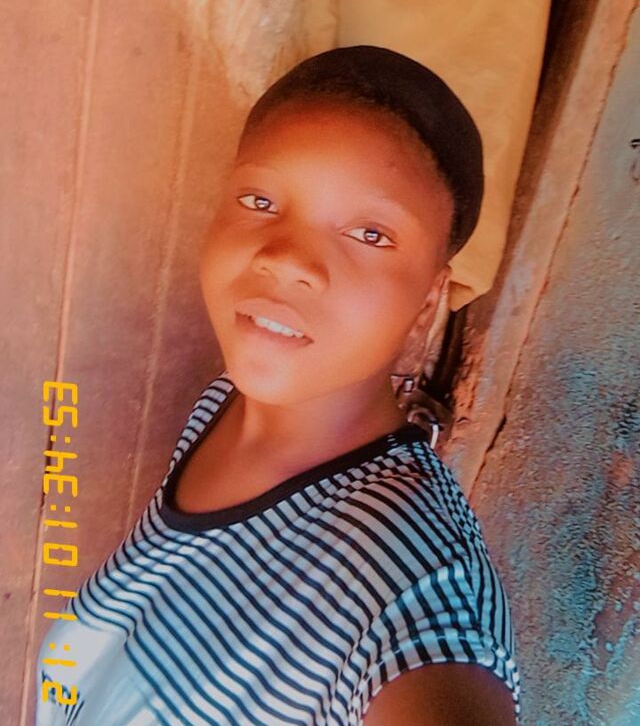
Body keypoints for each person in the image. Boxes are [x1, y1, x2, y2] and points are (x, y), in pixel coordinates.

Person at [36, 45, 521, 725]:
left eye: (370, 233)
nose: (288, 259)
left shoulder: (415, 593)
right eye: (260, 200)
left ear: (428, 300)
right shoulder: (227, 403)